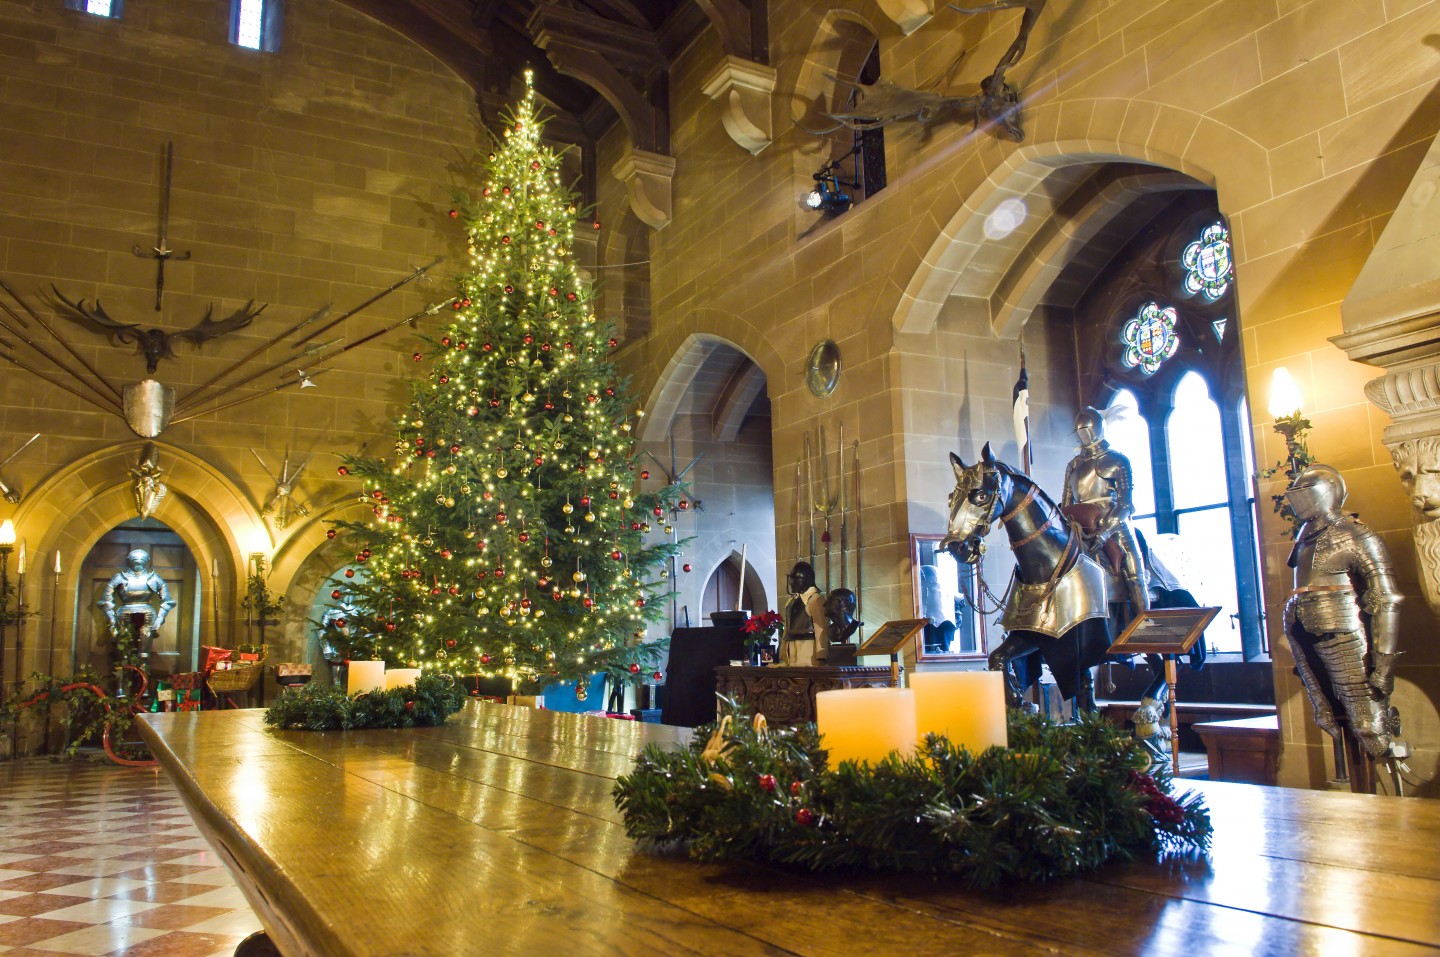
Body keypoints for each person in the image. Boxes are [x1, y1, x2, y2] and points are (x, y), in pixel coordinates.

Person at [1283, 464, 1405, 766]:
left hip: (1344, 633)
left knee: (1369, 727)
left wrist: (1384, 663)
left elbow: (1385, 598)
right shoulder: (1304, 538)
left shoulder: (1356, 534)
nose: (1296, 497)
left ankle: (1388, 797)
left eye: (1304, 490)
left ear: (1326, 492)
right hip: (1302, 629)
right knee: (1328, 713)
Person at [1061, 407, 1149, 615]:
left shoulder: (1117, 460)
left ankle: (1143, 629)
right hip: (1079, 523)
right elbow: (1065, 503)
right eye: (1080, 431)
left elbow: (1125, 504)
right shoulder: (1073, 465)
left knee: (1136, 574)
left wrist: (1105, 532)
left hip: (1112, 521)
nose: (1084, 435)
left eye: (1087, 430)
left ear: (1099, 428)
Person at [98, 548, 177, 660]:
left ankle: (142, 676)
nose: (138, 563)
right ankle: (125, 676)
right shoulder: (120, 578)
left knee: (143, 654)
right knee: (123, 653)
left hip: (146, 615)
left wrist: (159, 620)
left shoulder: (153, 578)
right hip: (125, 613)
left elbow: (168, 601)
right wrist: (112, 622)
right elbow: (105, 602)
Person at [781, 561, 824, 666]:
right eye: (791, 579)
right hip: (791, 651)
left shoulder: (816, 600)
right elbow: (786, 629)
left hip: (808, 652)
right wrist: (782, 654)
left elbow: (821, 630)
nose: (791, 582)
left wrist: (821, 655)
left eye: (795, 579)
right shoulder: (791, 601)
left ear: (805, 580)